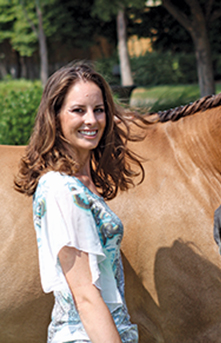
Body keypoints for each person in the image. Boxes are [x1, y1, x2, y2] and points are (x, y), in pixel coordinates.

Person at [14, 62, 144, 343]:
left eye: (99, 110)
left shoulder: (84, 183)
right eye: (78, 110)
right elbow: (84, 295)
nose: (92, 120)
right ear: (55, 116)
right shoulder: (60, 188)